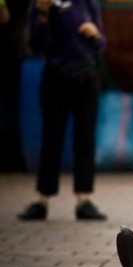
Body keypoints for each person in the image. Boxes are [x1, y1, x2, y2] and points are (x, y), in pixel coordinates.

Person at [18, 0, 107, 221]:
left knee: (84, 139)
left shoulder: (86, 3)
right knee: (51, 140)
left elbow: (102, 44)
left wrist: (96, 34)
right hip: (55, 77)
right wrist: (43, 15)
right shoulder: (41, 4)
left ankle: (83, 199)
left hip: (86, 77)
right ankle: (42, 199)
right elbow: (35, 44)